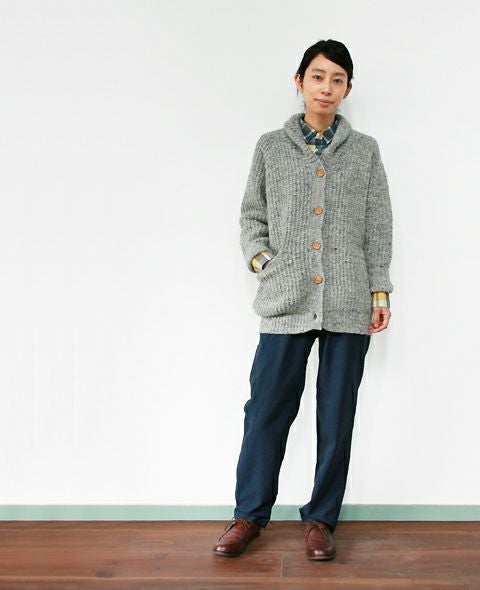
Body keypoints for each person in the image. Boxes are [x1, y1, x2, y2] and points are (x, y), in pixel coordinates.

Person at [212, 39, 393, 561]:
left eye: (337, 79)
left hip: (348, 299)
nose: (326, 87)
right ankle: (249, 514)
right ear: (300, 81)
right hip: (285, 299)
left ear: (348, 89)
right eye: (318, 76)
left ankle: (320, 520)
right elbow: (252, 216)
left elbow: (378, 226)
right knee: (266, 410)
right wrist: (264, 263)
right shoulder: (271, 146)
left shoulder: (365, 151)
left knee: (336, 417)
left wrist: (378, 290)